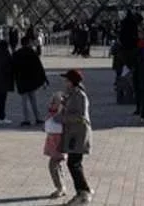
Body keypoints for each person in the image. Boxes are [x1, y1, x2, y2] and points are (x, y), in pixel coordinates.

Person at [59, 69, 92, 205]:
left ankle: (84, 192)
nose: (65, 82)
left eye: (67, 80)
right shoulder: (72, 94)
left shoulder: (79, 95)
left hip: (78, 134)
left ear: (72, 82)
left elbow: (81, 116)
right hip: (74, 133)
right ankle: (82, 192)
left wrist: (63, 117)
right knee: (74, 163)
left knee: (74, 163)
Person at [13, 36, 48, 126]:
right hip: (32, 80)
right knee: (34, 100)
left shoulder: (17, 54)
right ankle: (38, 118)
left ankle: (26, 119)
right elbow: (39, 67)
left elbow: (13, 68)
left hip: (22, 80)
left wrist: (14, 79)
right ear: (28, 43)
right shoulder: (32, 53)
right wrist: (44, 79)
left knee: (24, 101)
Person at [43, 91, 68, 200]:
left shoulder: (61, 113)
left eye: (54, 102)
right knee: (57, 165)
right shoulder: (51, 112)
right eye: (51, 101)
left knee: (53, 165)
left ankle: (60, 187)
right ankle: (61, 186)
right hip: (53, 142)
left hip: (58, 143)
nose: (51, 104)